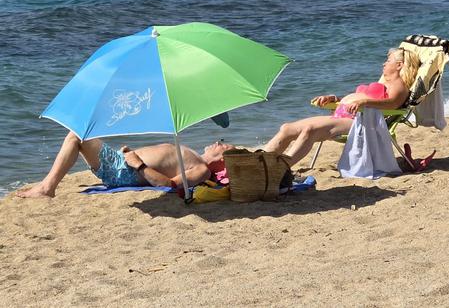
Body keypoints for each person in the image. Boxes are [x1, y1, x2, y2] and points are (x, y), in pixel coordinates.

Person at [263, 48, 420, 168]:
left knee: (309, 129)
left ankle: (280, 169)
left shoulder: (399, 86)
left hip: (360, 122)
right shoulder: (383, 83)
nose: (384, 63)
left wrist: (363, 102)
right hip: (342, 115)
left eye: (388, 60)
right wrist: (335, 99)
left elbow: (392, 104)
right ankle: (260, 162)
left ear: (399, 65)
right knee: (287, 128)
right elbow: (355, 100)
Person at [15, 133, 230, 198]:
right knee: (79, 134)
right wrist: (131, 154)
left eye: (224, 145)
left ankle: (47, 187)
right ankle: (47, 185)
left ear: (223, 160)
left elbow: (170, 185)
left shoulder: (201, 169)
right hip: (123, 161)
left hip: (124, 171)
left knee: (76, 137)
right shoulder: (193, 155)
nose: (217, 142)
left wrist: (138, 165)